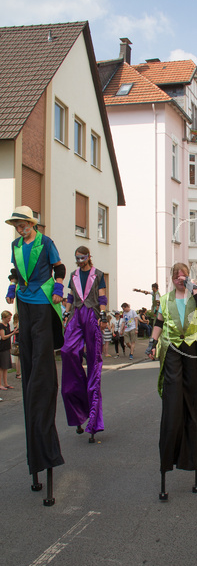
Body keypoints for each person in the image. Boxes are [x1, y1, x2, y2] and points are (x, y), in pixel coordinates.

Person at [5, 205, 65, 502]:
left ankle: (42, 368)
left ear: (31, 223)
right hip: (24, 300)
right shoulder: (16, 245)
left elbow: (60, 268)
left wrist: (59, 290)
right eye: (16, 224)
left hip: (42, 296)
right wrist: (12, 289)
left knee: (41, 353)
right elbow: (15, 272)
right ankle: (28, 369)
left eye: (22, 223)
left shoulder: (46, 242)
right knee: (27, 349)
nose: (19, 228)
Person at [149, 263, 197, 499]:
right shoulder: (165, 299)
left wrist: (194, 288)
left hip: (192, 352)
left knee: (192, 408)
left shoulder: (196, 296)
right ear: (172, 279)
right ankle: (167, 463)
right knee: (172, 408)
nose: (179, 279)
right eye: (176, 276)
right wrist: (153, 343)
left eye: (183, 276)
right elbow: (159, 323)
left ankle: (192, 460)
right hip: (172, 351)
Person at [60, 247, 108, 442]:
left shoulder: (98, 274)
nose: (79, 261)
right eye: (77, 258)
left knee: (94, 365)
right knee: (67, 351)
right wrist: (66, 312)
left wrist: (103, 315)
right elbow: (71, 296)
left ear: (89, 257)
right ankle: (78, 410)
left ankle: (94, 423)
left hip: (92, 316)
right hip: (76, 315)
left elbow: (102, 297)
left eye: (82, 258)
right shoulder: (73, 275)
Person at [0, 310, 17, 389]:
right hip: (2, 348)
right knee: (2, 367)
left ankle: (6, 383)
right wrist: (12, 333)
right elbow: (3, 337)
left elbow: (8, 337)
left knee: (6, 366)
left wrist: (10, 346)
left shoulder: (7, 325)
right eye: (8, 318)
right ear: (3, 318)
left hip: (7, 347)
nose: (9, 320)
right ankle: (0, 384)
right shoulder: (1, 326)